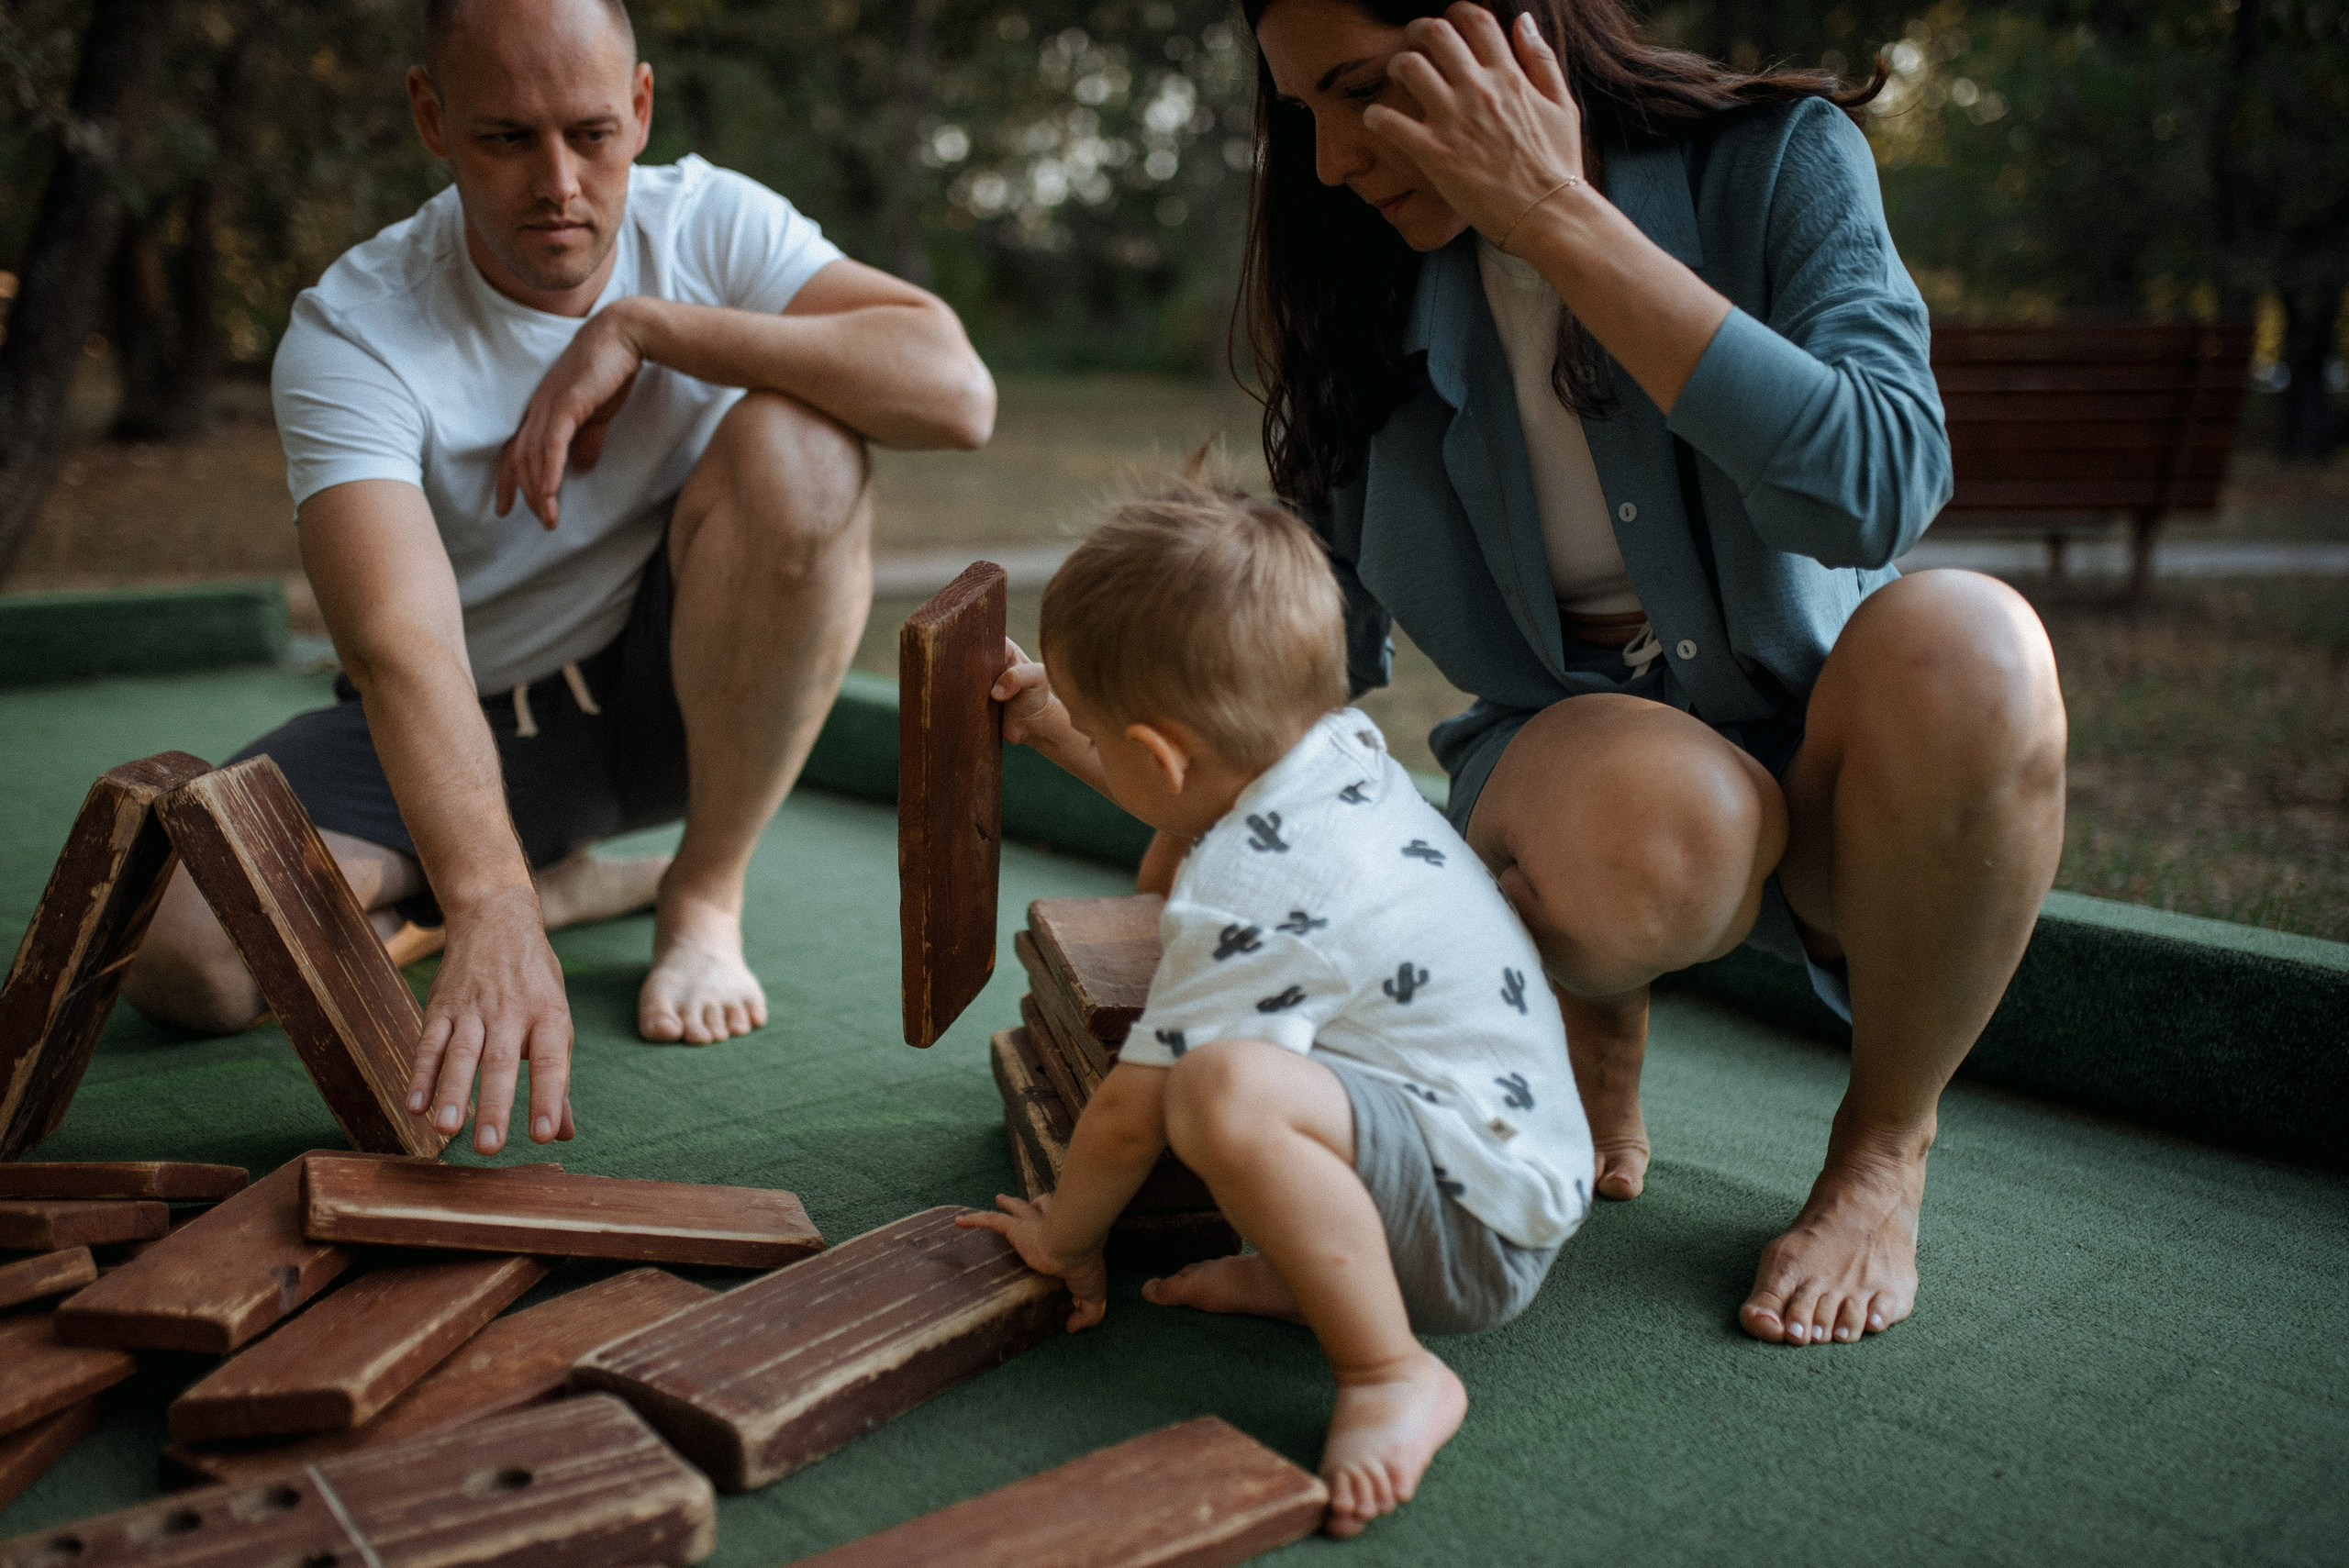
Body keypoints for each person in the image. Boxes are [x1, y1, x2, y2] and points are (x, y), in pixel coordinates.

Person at [1225, 0, 2068, 1348]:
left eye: (1366, 89)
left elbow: (1879, 486)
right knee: (1660, 822)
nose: (1328, 158)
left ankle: (1881, 1152)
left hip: (1833, 751)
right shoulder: (1358, 265)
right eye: (1299, 110)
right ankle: (1592, 1003)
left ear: (1509, 32)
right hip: (1581, 777)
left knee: (1978, 650)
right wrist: (1139, 722)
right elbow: (1311, 650)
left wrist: (1553, 211)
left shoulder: (1782, 159)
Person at [121, 0, 995, 1156]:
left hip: (681, 703)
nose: (559, 183)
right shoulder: (355, 331)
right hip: (467, 727)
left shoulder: (710, 224)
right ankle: (537, 876)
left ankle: (700, 891)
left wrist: (651, 329)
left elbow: (955, 392)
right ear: (430, 116)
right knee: (180, 954)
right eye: (504, 138)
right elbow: (398, 643)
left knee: (805, 443)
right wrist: (487, 899)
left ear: (638, 106)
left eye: (590, 133)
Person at [968, 478, 1595, 1539]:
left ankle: (1393, 1368)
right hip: (1494, 1149)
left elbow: (1127, 1113)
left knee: (1223, 1089)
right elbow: (1190, 792)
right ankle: (1312, 1272)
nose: (1078, 731)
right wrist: (1058, 728)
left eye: (1088, 722)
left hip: (1476, 1228)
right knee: (1243, 1080)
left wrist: (1065, 1237)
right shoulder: (1326, 749)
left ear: (1159, 752)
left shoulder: (1253, 896)